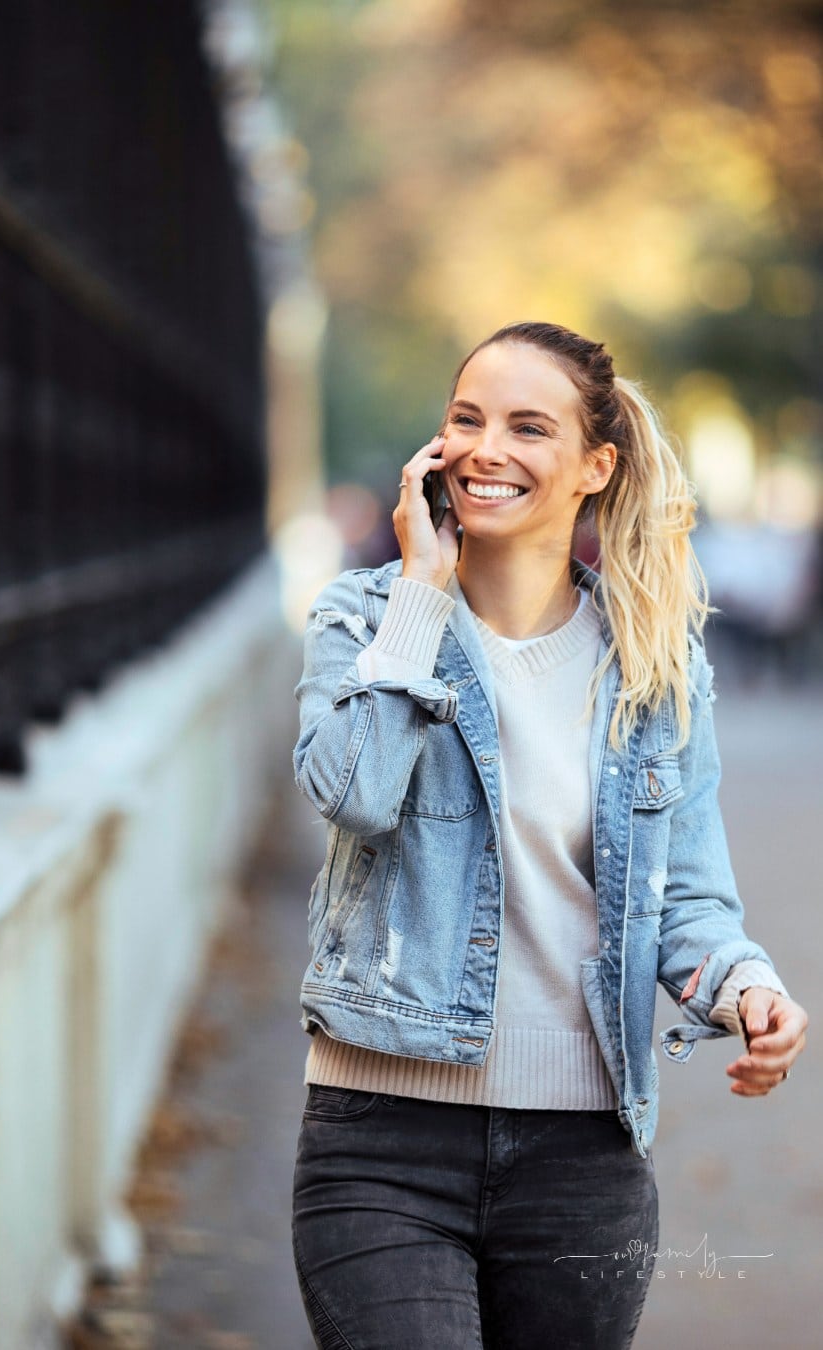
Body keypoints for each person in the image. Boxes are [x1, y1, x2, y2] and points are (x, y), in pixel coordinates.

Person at [290, 321, 807, 1350]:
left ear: (593, 466)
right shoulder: (364, 617)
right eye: (467, 419)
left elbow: (689, 897)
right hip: (381, 1145)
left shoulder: (652, 662)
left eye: (529, 427)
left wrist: (747, 986)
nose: (488, 449)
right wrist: (423, 595)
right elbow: (352, 791)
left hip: (586, 1161)